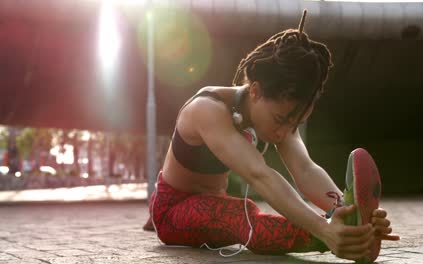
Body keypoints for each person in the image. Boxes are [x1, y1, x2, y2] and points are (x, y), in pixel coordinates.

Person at [143, 10, 399, 261]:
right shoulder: (206, 110)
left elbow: (306, 170)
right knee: (241, 215)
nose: (284, 132)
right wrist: (325, 229)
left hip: (213, 206)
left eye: (295, 123)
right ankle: (338, 238)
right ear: (255, 91)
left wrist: (347, 209)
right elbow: (259, 175)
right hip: (172, 211)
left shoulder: (279, 119)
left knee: (236, 211)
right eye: (281, 120)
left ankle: (349, 229)